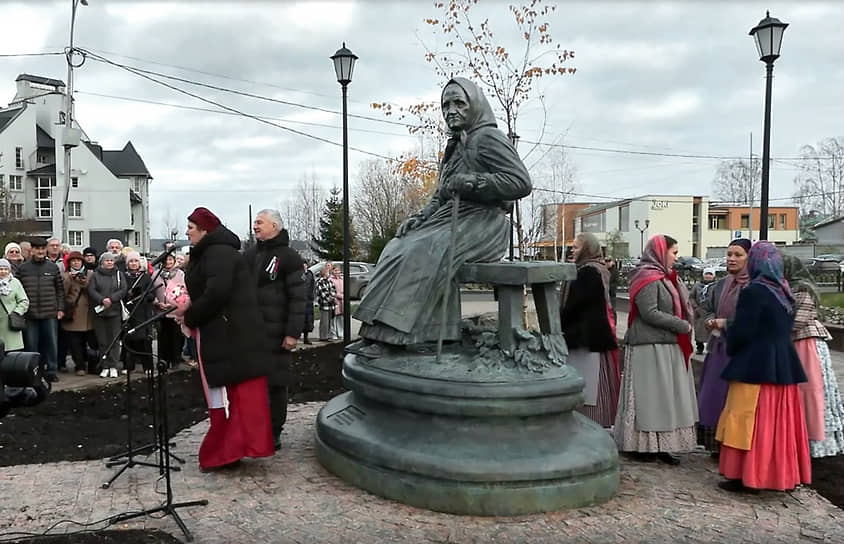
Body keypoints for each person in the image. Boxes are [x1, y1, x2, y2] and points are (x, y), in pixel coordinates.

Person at [350, 77, 531, 357]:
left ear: (475, 106)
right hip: (451, 217)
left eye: (459, 103)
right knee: (398, 245)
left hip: (486, 222)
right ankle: (378, 330)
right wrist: (420, 217)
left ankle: (397, 335)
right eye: (446, 104)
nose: (451, 110)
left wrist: (473, 182)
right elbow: (441, 195)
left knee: (424, 250)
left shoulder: (488, 138)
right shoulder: (455, 146)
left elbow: (520, 182)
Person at [175, 206, 274, 471]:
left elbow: (217, 293)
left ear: (205, 230)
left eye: (191, 228)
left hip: (233, 337)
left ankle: (229, 450)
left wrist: (191, 316)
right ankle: (230, 450)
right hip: (226, 335)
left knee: (238, 398)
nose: (187, 232)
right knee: (234, 398)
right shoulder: (211, 252)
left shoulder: (219, 253)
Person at [716, 242, 810, 492]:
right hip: (784, 365)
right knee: (777, 425)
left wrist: (728, 337)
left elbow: (744, 330)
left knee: (750, 420)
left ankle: (749, 475)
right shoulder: (783, 291)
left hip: (755, 366)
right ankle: (778, 475)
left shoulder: (754, 291)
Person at [614, 234, 698, 465]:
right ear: (661, 252)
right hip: (648, 346)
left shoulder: (668, 278)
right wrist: (680, 324)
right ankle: (642, 445)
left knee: (664, 400)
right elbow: (649, 312)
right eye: (674, 252)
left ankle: (661, 445)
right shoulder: (648, 278)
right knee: (648, 400)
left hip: (666, 345)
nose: (676, 257)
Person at [245, 208, 306, 451]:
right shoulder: (250, 255)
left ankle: (274, 431)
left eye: (260, 222)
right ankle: (255, 429)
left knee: (276, 384)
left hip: (277, 334)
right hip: (252, 334)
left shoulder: (288, 257)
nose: (255, 226)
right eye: (254, 222)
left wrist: (293, 332)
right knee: (253, 384)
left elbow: (299, 298)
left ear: (275, 226)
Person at [783, 255, 844, 458]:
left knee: (812, 391)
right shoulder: (790, 287)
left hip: (806, 344)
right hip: (797, 344)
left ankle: (815, 442)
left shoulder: (803, 288)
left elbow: (798, 321)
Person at [696, 239, 751, 455]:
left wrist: (726, 323)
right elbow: (708, 307)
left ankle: (732, 446)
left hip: (740, 350)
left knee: (734, 398)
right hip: (719, 347)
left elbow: (751, 319)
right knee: (713, 396)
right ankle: (714, 444)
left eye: (738, 255)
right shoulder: (722, 285)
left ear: (749, 258)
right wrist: (711, 320)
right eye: (729, 254)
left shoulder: (752, 286)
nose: (732, 259)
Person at [559, 232, 620, 428]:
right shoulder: (596, 269)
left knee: (587, 386)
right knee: (592, 385)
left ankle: (588, 427)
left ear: (587, 249)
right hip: (592, 335)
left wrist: (560, 322)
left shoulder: (587, 272)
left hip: (585, 337)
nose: (572, 250)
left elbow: (577, 305)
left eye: (576, 247)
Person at [16, 238, 65, 382]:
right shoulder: (23, 268)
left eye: (43, 249)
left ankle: (51, 370)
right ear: (32, 250)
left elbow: (60, 290)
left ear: (46, 250)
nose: (40, 251)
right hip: (30, 314)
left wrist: (60, 308)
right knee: (31, 345)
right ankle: (33, 371)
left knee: (51, 344)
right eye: (37, 249)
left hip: (49, 312)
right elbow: (17, 290)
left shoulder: (52, 267)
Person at [88, 252, 128, 378]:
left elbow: (123, 289)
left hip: (114, 311)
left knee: (114, 340)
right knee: (102, 340)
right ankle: (105, 366)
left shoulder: (119, 274)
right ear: (102, 262)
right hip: (99, 312)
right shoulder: (95, 275)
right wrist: (101, 300)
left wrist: (111, 299)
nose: (110, 262)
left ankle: (113, 366)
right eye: (107, 260)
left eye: (111, 260)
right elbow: (91, 290)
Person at [60, 252, 95, 376]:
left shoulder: (90, 274)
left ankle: (90, 364)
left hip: (88, 313)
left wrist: (83, 281)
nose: (76, 263)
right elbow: (62, 293)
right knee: (75, 343)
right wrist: (70, 279)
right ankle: (79, 366)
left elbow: (93, 290)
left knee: (90, 342)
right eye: (73, 261)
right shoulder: (65, 276)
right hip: (73, 312)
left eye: (78, 260)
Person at [123, 251, 155, 373]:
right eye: (131, 261)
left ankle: (148, 366)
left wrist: (142, 296)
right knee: (128, 339)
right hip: (129, 311)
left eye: (136, 261)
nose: (134, 263)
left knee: (144, 340)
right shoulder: (124, 276)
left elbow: (152, 294)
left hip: (142, 311)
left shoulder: (146, 277)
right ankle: (128, 366)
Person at [153, 253, 186, 368]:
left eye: (170, 260)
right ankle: (163, 361)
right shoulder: (156, 274)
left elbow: (184, 290)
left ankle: (175, 360)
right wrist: (157, 303)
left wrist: (177, 304)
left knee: (176, 337)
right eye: (166, 260)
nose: (168, 262)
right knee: (163, 337)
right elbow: (151, 291)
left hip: (175, 311)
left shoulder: (180, 274)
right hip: (160, 311)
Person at [0, 259, 29, 352]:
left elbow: (24, 301)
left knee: (11, 354)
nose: (3, 271)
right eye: (0, 269)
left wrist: (16, 312)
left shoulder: (15, 282)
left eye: (5, 269)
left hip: (10, 323)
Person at [689, 267, 717, 355]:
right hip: (699, 312)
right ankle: (699, 347)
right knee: (699, 331)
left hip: (711, 312)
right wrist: (695, 307)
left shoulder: (716, 286)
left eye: (710, 274)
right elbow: (691, 297)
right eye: (706, 274)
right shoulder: (697, 286)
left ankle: (710, 348)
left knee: (711, 330)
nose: (708, 276)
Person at [315, 263, 336, 341]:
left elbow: (334, 290)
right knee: (324, 322)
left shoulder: (330, 281)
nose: (329, 274)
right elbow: (323, 294)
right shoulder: (320, 282)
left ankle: (328, 335)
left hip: (331, 305)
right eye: (327, 272)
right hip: (324, 305)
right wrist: (331, 297)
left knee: (329, 321)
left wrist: (333, 296)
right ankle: (323, 336)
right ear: (324, 273)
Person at [302, 262, 315, 345]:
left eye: (305, 264)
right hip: (299, 300)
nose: (304, 266)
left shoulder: (310, 274)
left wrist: (311, 296)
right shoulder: (297, 274)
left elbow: (313, 286)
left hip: (308, 300)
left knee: (308, 320)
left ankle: (306, 338)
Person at [330, 264, 344, 340]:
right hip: (335, 300)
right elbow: (331, 291)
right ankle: (333, 333)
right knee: (334, 318)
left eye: (338, 270)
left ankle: (340, 333)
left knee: (340, 318)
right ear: (332, 271)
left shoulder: (342, 279)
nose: (337, 272)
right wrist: (337, 296)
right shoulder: (331, 279)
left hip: (342, 301)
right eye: (335, 270)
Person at [605, 256, 620, 323]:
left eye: (609, 261)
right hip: (605, 294)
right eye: (606, 261)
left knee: (613, 309)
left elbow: (616, 283)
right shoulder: (603, 270)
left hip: (611, 294)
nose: (607, 263)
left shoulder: (615, 271)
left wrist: (609, 287)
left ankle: (614, 323)